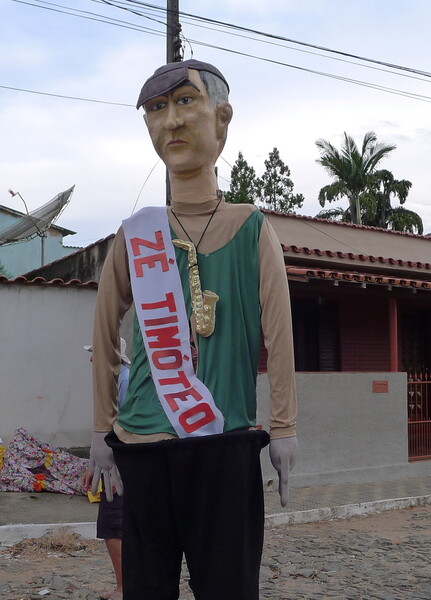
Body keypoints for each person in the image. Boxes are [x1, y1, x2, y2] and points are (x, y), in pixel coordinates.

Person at [89, 59, 298, 600]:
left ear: (222, 119)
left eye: (186, 101)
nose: (171, 121)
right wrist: (100, 430)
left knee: (228, 588)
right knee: (145, 589)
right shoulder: (136, 235)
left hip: (222, 445)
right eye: (157, 109)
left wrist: (284, 427)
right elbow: (105, 332)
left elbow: (279, 337)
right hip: (140, 445)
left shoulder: (253, 228)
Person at [82, 339, 130, 600]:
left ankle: (124, 589)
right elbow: (101, 428)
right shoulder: (109, 382)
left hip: (121, 466)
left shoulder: (124, 380)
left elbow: (126, 428)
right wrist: (94, 463)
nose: (91, 360)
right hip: (112, 464)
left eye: (96, 354)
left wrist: (115, 470)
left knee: (113, 524)